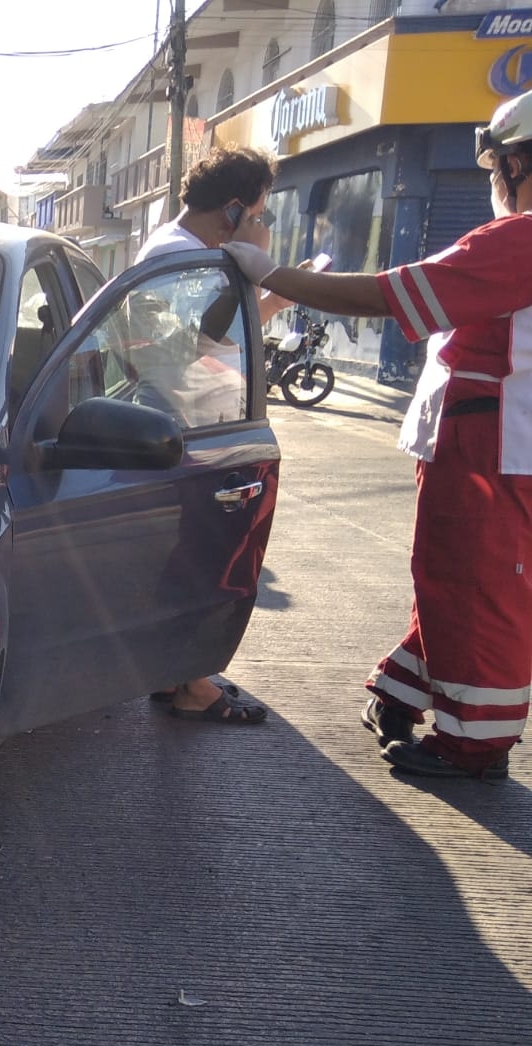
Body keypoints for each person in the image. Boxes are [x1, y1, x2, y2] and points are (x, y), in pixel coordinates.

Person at [223, 90, 532, 780]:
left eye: (493, 168)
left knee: (483, 588)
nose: (490, 183)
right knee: (453, 580)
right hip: (487, 444)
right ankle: (402, 690)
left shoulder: (522, 237)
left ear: (515, 163)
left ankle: (475, 745)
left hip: (492, 449)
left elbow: (388, 295)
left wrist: (273, 276)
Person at [134, 144, 288, 725]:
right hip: (189, 433)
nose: (261, 225)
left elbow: (207, 340)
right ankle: (193, 682)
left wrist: (272, 291)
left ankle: (178, 670)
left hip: (193, 427)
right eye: (259, 215)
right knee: (203, 562)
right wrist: (260, 263)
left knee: (190, 559)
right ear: (232, 211)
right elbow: (192, 348)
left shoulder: (184, 256)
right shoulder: (189, 263)